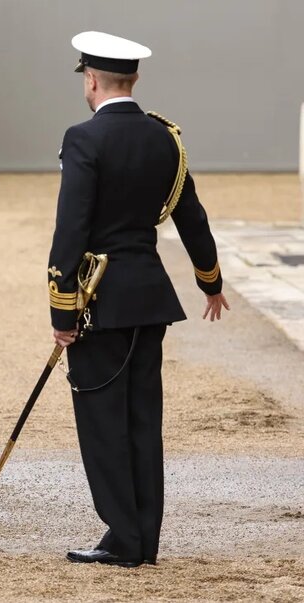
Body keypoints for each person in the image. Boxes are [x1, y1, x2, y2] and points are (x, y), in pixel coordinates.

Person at [47, 31, 230, 567]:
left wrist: (62, 308)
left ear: (92, 79)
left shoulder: (82, 139)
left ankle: (124, 538)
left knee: (103, 423)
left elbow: (71, 230)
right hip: (150, 298)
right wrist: (210, 281)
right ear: (134, 80)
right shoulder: (165, 139)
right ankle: (142, 537)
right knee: (142, 421)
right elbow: (190, 216)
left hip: (98, 301)